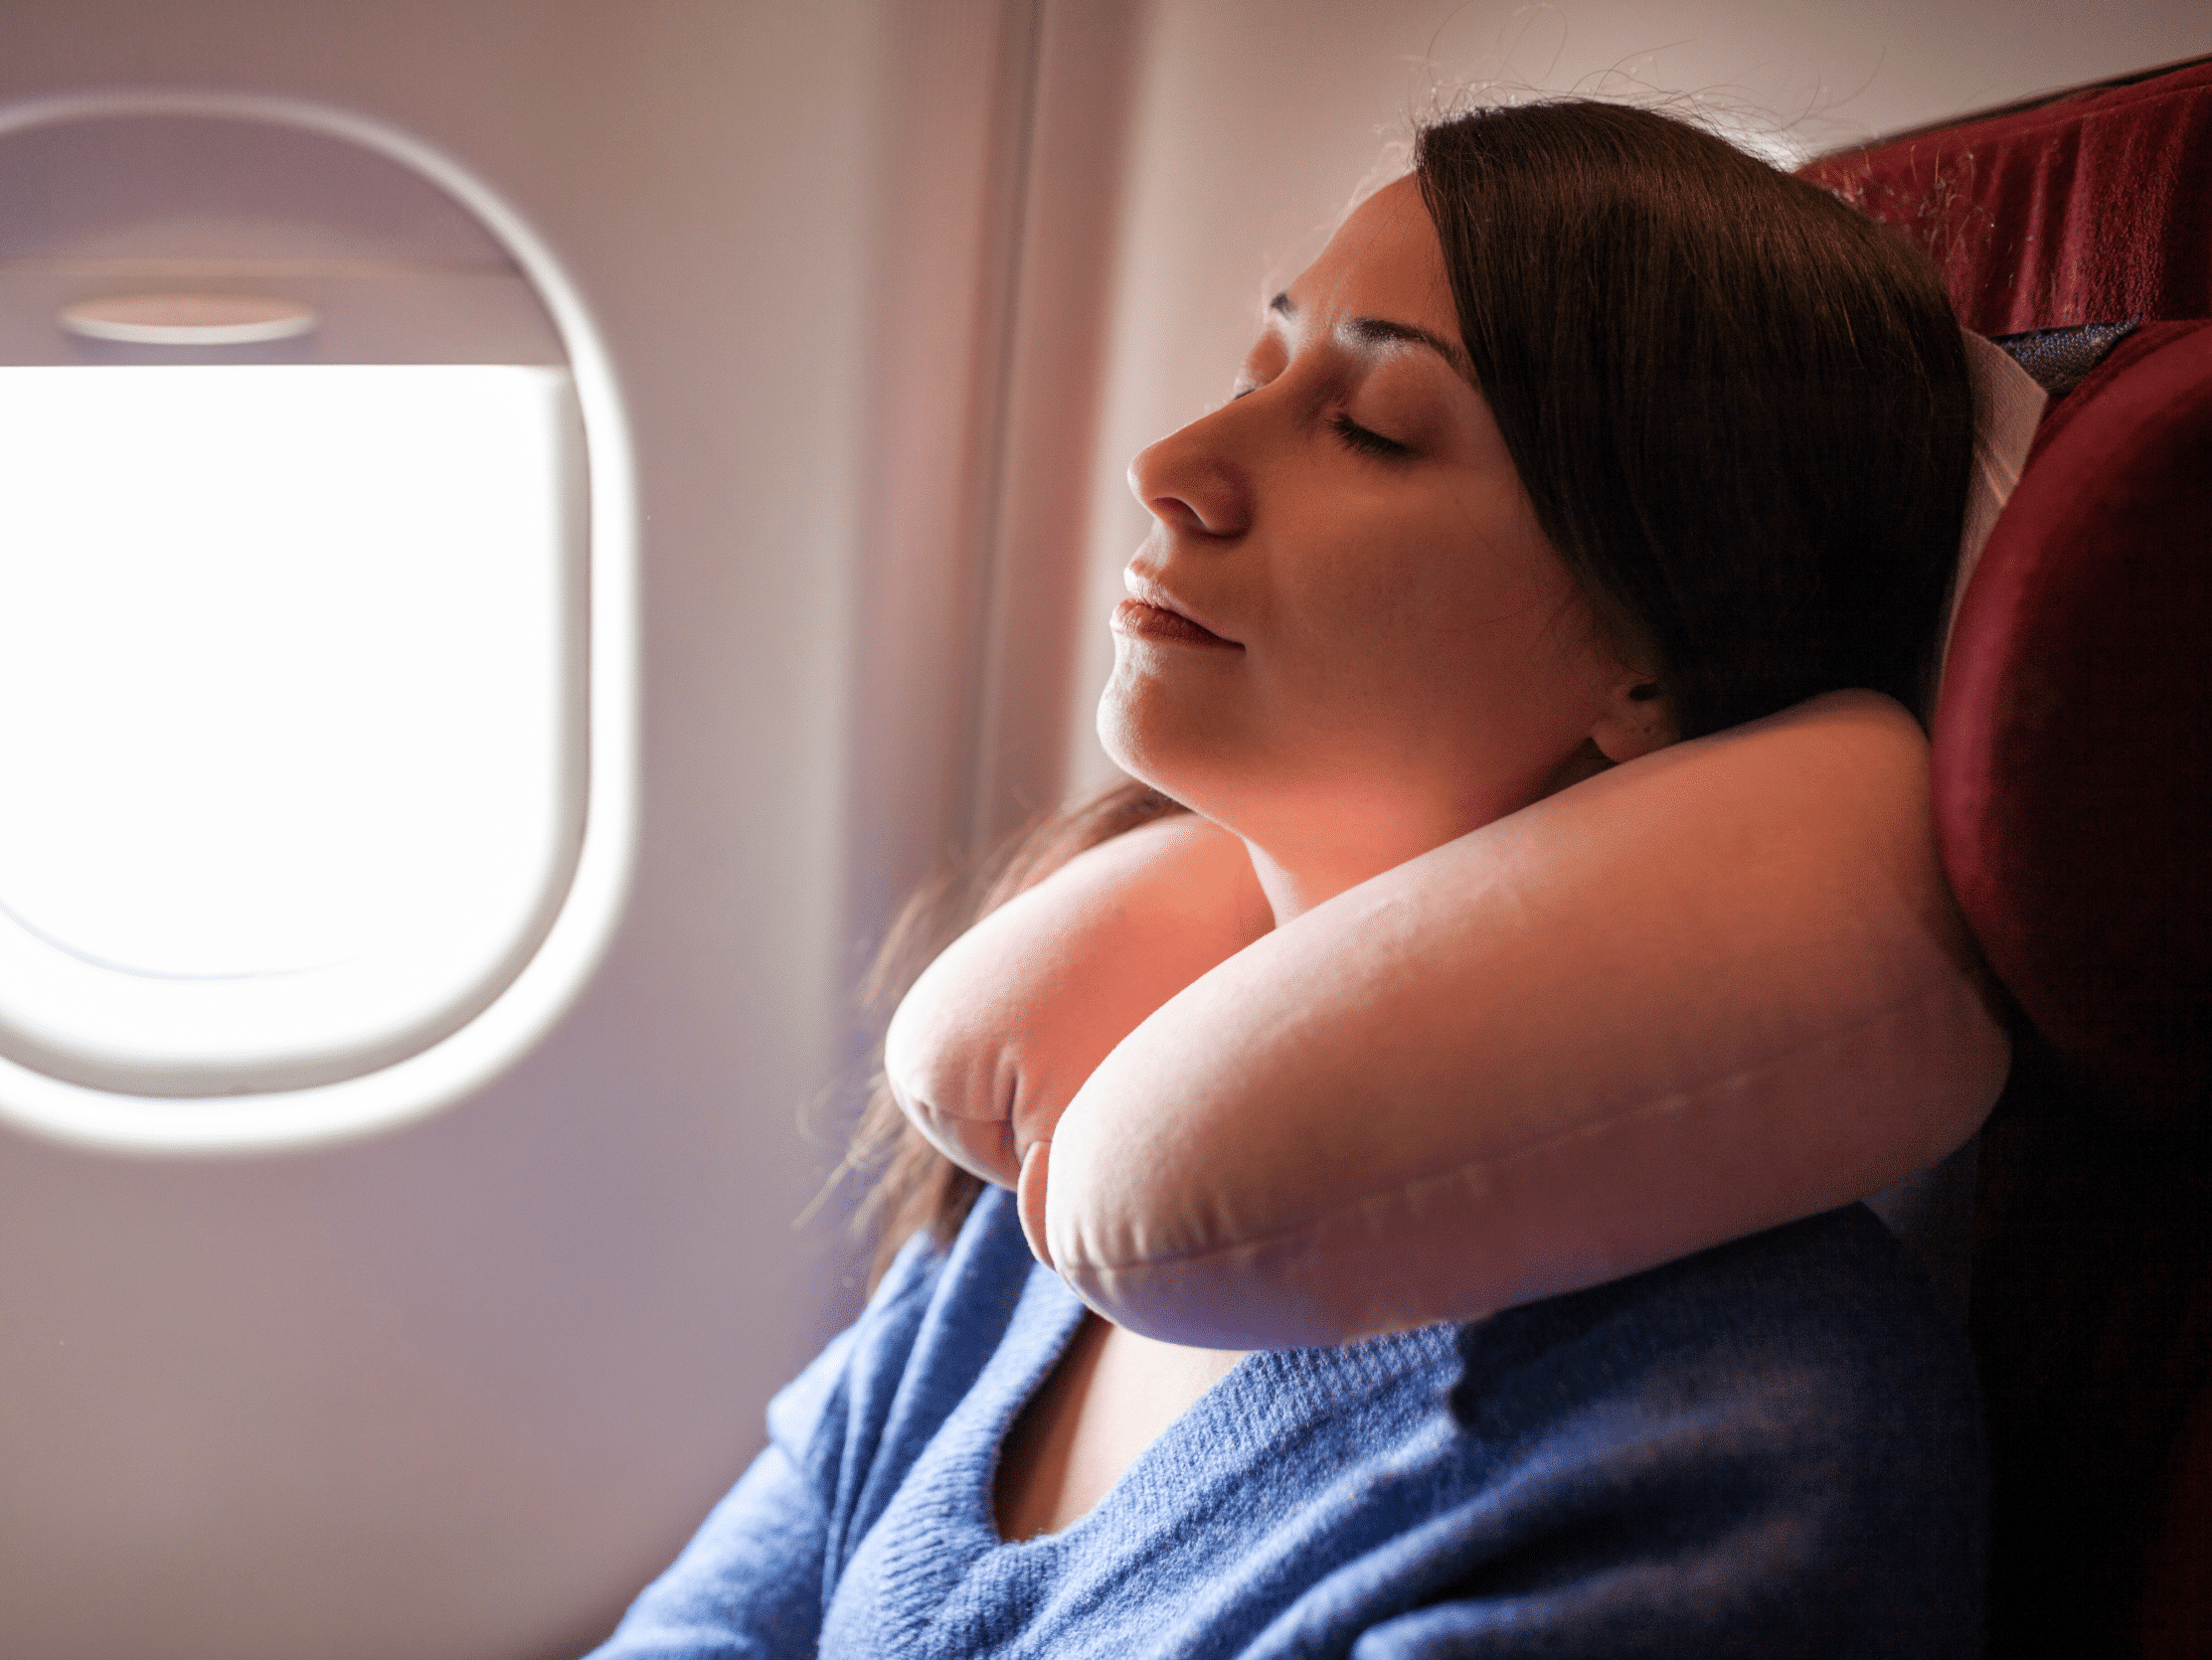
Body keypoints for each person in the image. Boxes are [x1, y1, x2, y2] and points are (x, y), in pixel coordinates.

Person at [589, 98, 1985, 1657]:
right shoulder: (1070, 1144)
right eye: (1261, 369)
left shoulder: (1725, 1442)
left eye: (1375, 426)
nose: (1173, 463)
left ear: (1649, 665)